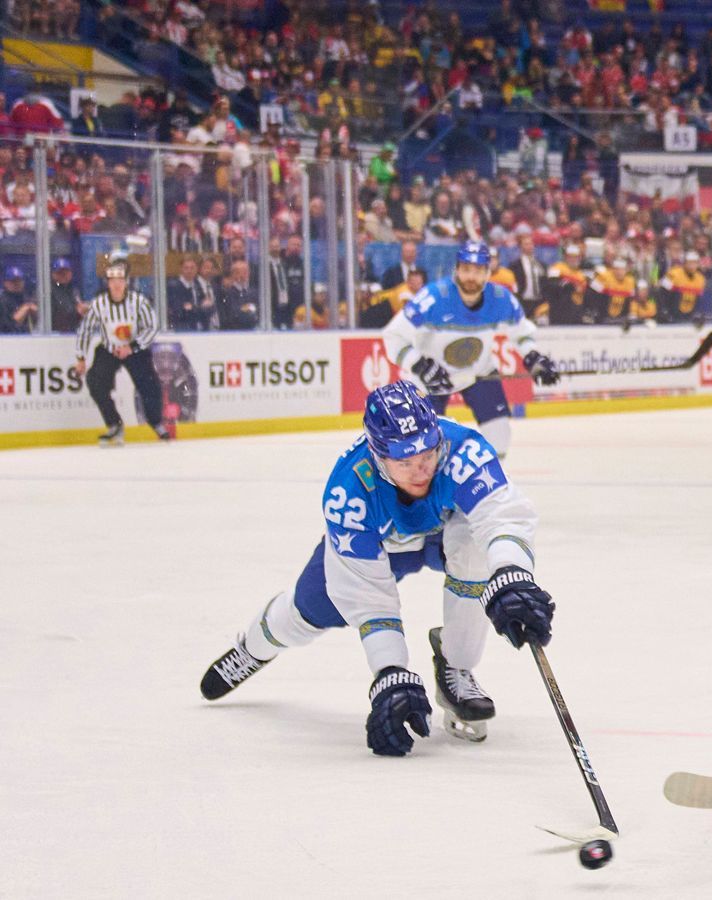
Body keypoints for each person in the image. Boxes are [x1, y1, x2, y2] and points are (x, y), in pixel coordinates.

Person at [198, 381, 558, 754]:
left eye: (428, 455)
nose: (421, 470)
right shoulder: (349, 491)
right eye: (404, 462)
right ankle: (254, 647)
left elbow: (501, 516)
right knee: (305, 614)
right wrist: (391, 673)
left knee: (477, 549)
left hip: (444, 539)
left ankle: (457, 665)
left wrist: (512, 574)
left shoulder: (463, 450)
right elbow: (369, 599)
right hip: (379, 547)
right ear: (379, 457)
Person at [382, 241, 561, 456]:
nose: (471, 277)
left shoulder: (501, 299)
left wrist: (533, 357)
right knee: (424, 449)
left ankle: (489, 486)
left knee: (500, 434)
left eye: (477, 271)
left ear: (487, 273)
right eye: (466, 270)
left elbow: (521, 334)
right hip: (431, 378)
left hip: (478, 374)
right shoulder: (433, 298)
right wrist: (419, 364)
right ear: (456, 269)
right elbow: (393, 336)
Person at [74, 255, 171, 445]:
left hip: (135, 348)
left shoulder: (138, 301)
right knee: (96, 382)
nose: (117, 284)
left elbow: (152, 327)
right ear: (108, 283)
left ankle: (156, 422)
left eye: (120, 280)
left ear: (126, 282)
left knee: (149, 385)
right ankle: (114, 424)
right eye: (113, 280)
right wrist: (81, 357)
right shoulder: (98, 304)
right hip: (109, 348)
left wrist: (132, 346)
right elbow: (85, 330)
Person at [658, 251, 707, 324]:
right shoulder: (674, 273)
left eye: (694, 263)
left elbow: (699, 301)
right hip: (673, 313)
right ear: (684, 263)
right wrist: (664, 310)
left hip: (689, 315)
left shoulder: (700, 279)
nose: (692, 266)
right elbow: (661, 292)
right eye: (689, 263)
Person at [48, 257, 85, 333]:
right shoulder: (49, 291)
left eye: (66, 272)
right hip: (55, 334)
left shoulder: (74, 290)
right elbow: (55, 315)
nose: (63, 275)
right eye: (60, 272)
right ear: (53, 274)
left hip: (73, 332)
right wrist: (76, 311)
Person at [1, 265, 37, 333]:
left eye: (19, 280)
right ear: (5, 283)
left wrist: (36, 312)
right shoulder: (2, 301)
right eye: (13, 281)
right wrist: (24, 309)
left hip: (27, 338)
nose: (17, 284)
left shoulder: (26, 298)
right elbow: (8, 327)